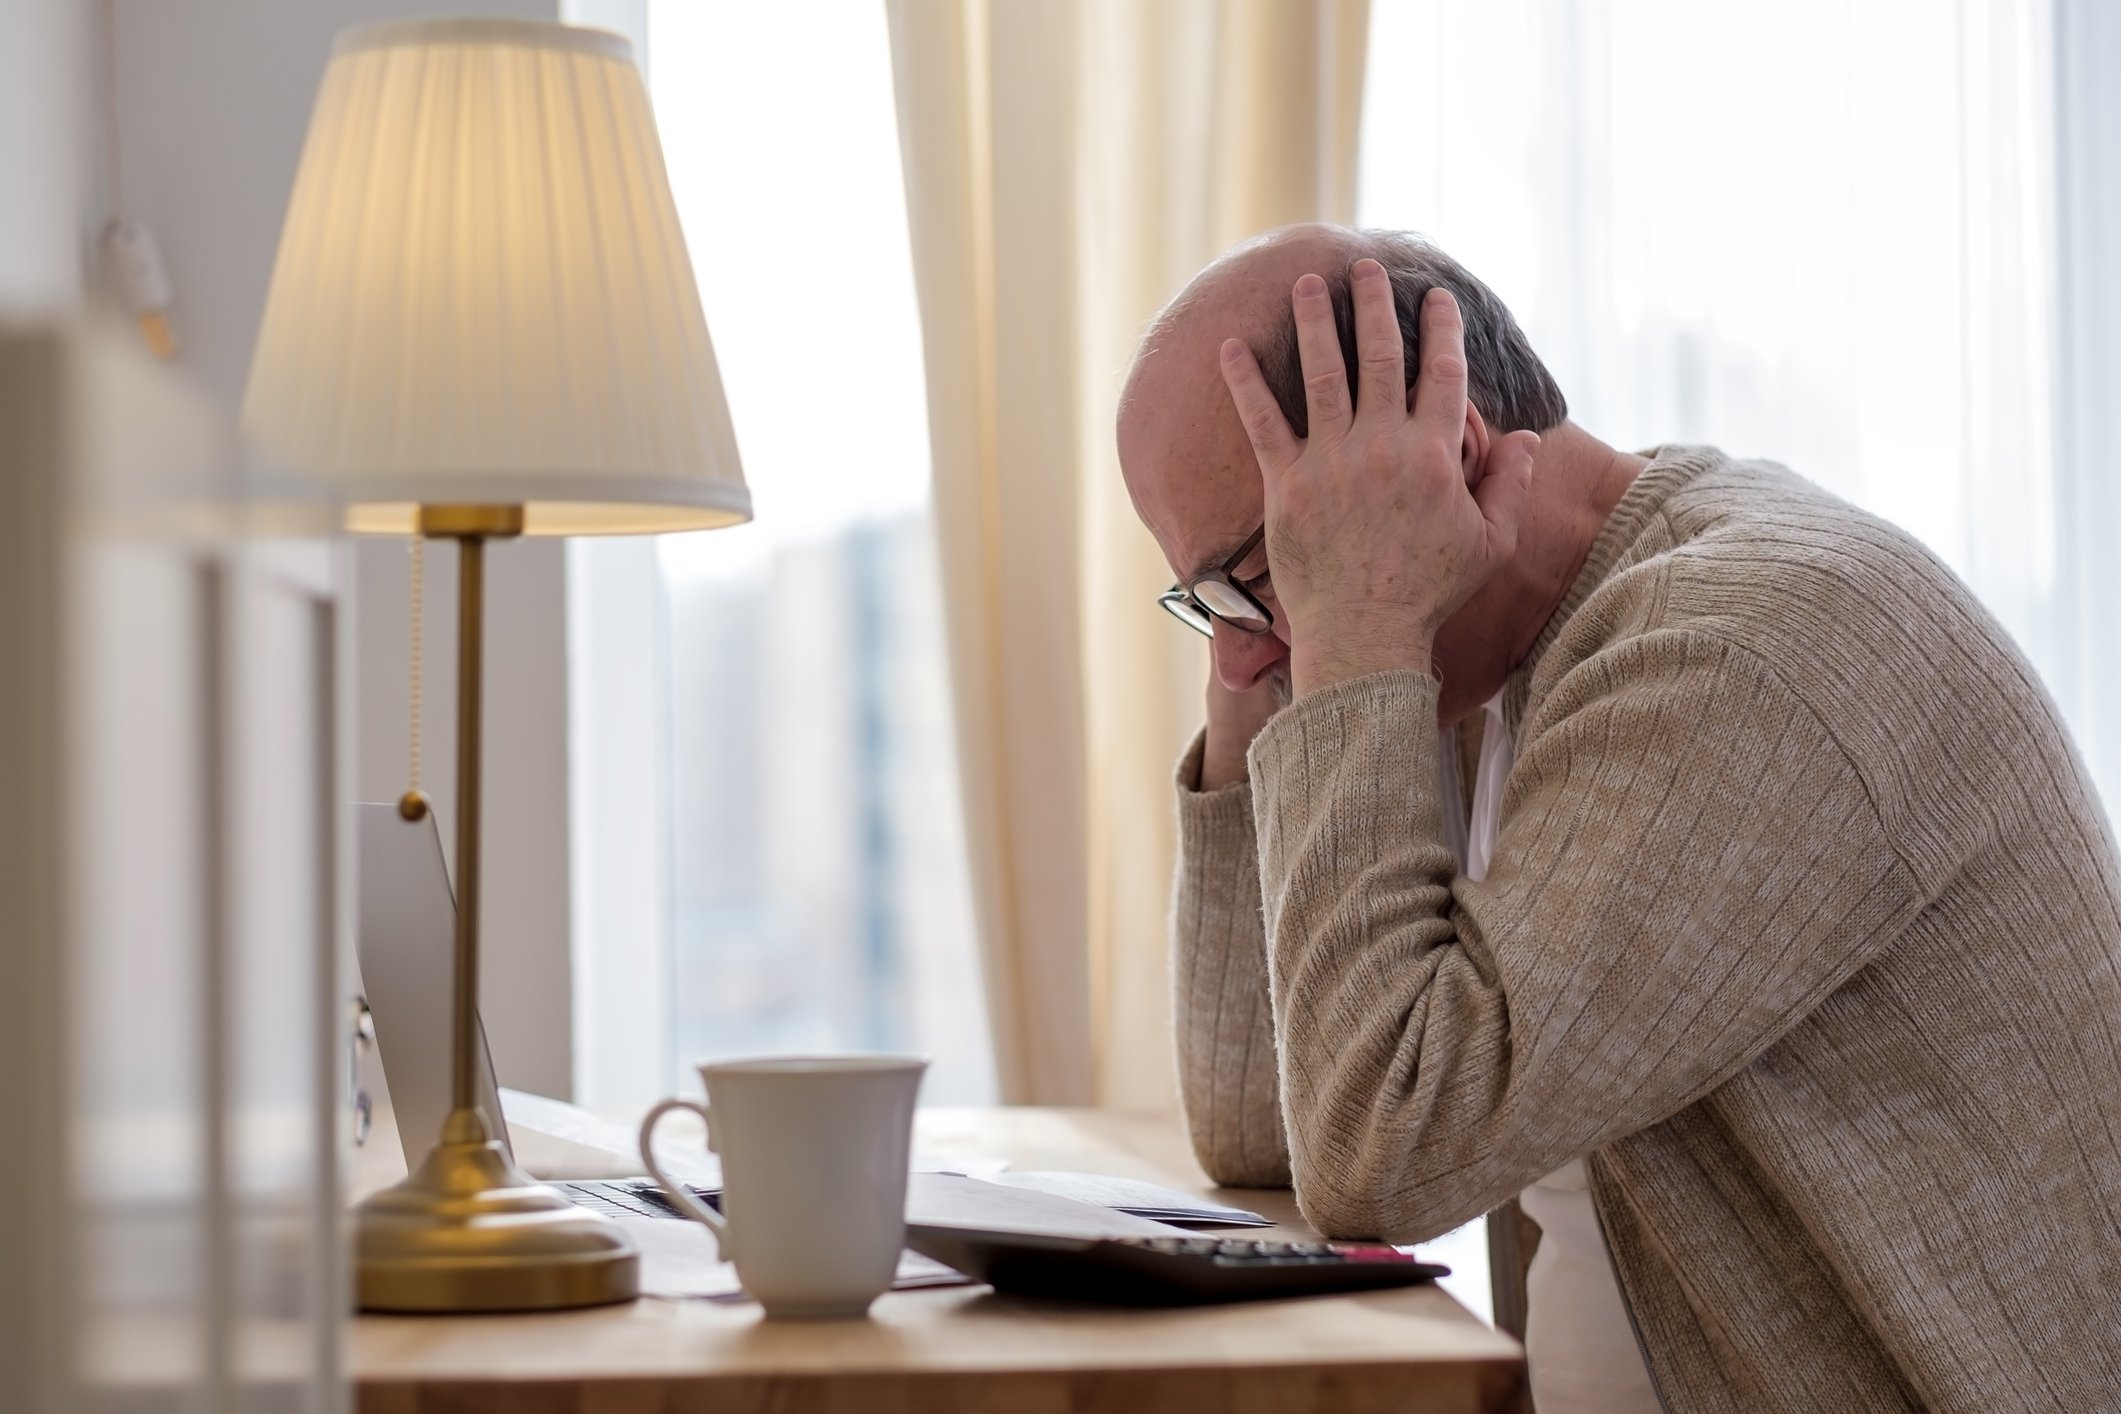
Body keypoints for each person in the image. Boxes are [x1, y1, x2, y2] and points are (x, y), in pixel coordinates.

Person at [1116, 224, 2121, 1414]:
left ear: (1446, 458)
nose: (1240, 660)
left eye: (1257, 569)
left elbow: (1380, 1148)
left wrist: (1347, 623)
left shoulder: (1741, 654)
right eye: (1205, 600)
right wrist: (1279, 644)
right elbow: (1262, 1121)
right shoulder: (1474, 671)